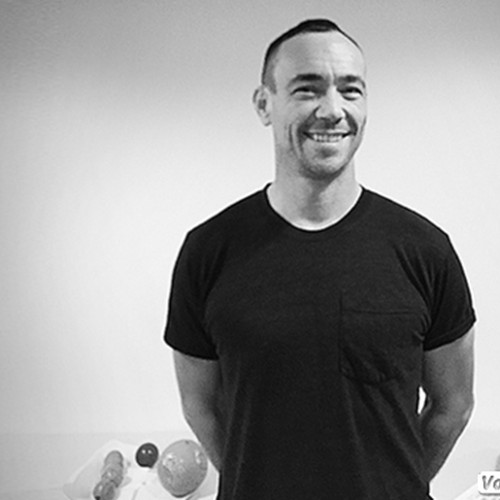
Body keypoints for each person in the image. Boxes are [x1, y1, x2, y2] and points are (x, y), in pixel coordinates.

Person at [164, 19, 476, 499]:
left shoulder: (425, 251)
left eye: (350, 90)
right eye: (307, 89)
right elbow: (200, 407)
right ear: (264, 104)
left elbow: (452, 406)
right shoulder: (208, 252)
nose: (332, 110)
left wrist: (395, 484)